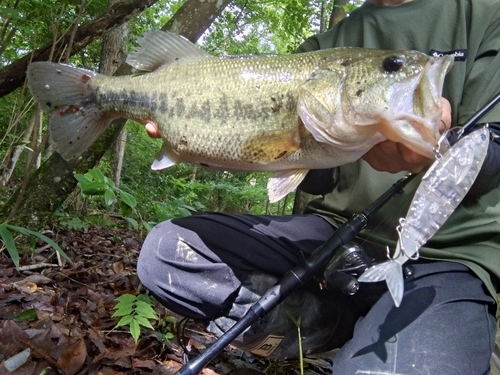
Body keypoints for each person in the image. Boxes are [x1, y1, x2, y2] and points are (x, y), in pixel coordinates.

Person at [138, 0, 500, 373]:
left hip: (446, 255)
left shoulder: (487, 14)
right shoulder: (322, 46)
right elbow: (311, 172)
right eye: (392, 66)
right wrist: (211, 143)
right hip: (334, 238)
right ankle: (328, 327)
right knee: (168, 254)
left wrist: (447, 151)